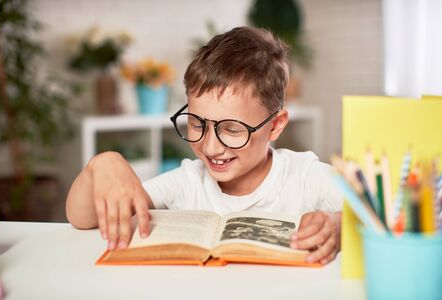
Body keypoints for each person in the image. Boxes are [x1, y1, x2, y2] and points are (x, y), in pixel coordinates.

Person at [66, 26, 342, 265]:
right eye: (197, 124)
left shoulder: (305, 176)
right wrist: (101, 164)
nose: (210, 147)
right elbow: (82, 220)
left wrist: (341, 225)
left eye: (232, 129)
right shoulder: (187, 181)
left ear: (276, 125)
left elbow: (382, 211)